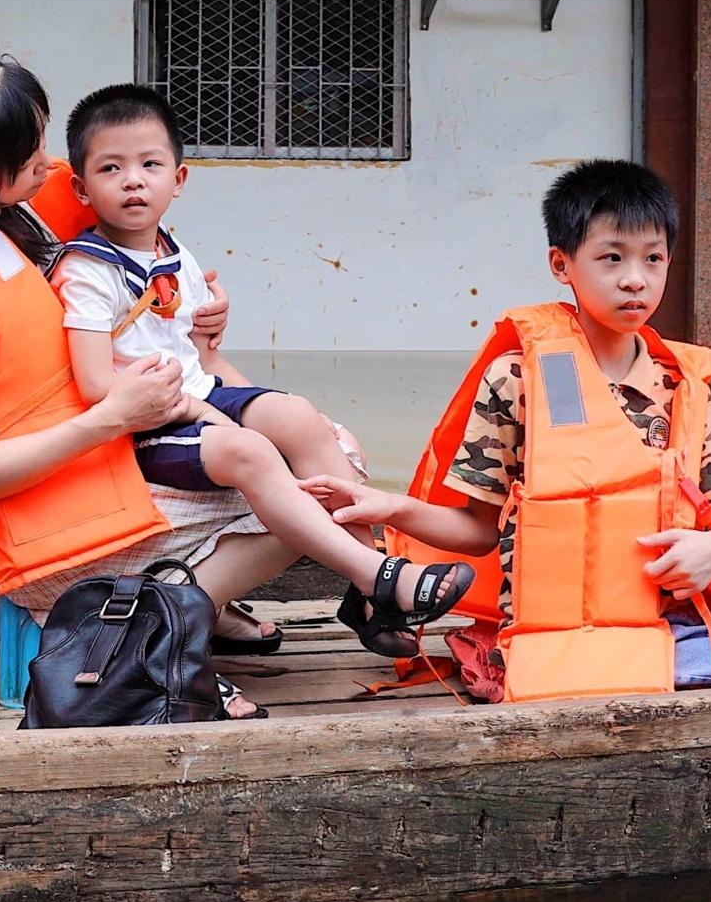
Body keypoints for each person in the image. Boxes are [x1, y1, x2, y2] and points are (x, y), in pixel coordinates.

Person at [0, 50, 469, 719]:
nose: (45, 164)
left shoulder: (16, 215)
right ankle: (161, 636)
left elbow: (133, 317)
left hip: (106, 445)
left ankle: (236, 599)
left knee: (327, 451)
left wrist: (200, 338)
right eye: (24, 158)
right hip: (39, 499)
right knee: (310, 485)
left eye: (39, 138)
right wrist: (113, 417)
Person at [306, 160, 711, 703]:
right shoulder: (519, 380)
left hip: (667, 625)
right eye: (611, 258)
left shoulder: (685, 387)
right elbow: (476, 529)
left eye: (653, 259)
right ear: (562, 265)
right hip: (562, 638)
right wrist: (385, 507)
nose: (635, 280)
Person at [52, 82, 477, 657]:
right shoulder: (86, 271)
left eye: (150, 164)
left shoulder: (174, 255)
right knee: (257, 452)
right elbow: (98, 386)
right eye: (111, 168)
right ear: (82, 187)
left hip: (194, 398)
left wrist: (226, 388)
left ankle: (367, 592)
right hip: (144, 425)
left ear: (178, 180)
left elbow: (202, 361)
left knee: (302, 419)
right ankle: (380, 579)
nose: (133, 180)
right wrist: (192, 407)